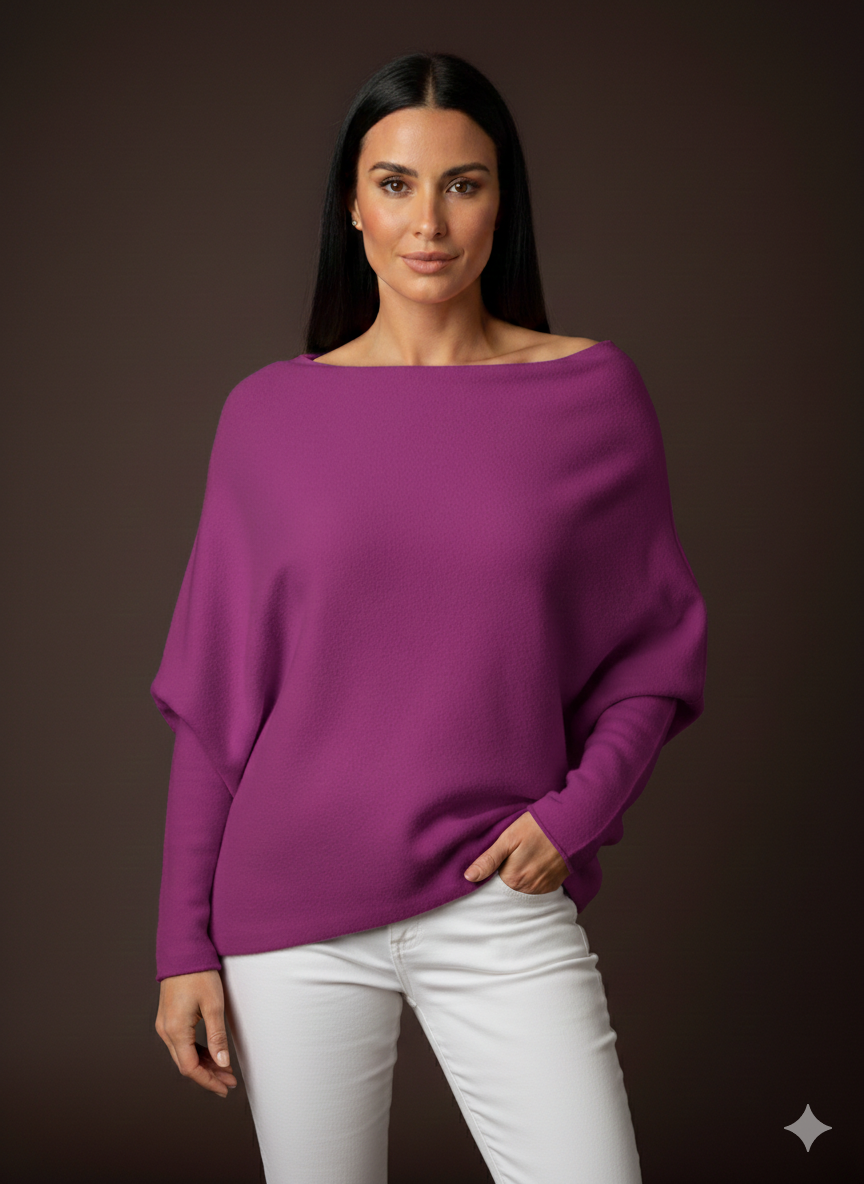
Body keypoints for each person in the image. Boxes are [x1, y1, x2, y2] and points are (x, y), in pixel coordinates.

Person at [152, 50, 708, 1184]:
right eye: (396, 183)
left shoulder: (591, 395)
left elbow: (653, 655)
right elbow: (218, 702)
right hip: (289, 908)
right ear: (351, 207)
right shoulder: (267, 414)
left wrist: (578, 813)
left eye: (464, 184)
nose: (429, 222)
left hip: (494, 890)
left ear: (504, 204)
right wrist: (180, 945)